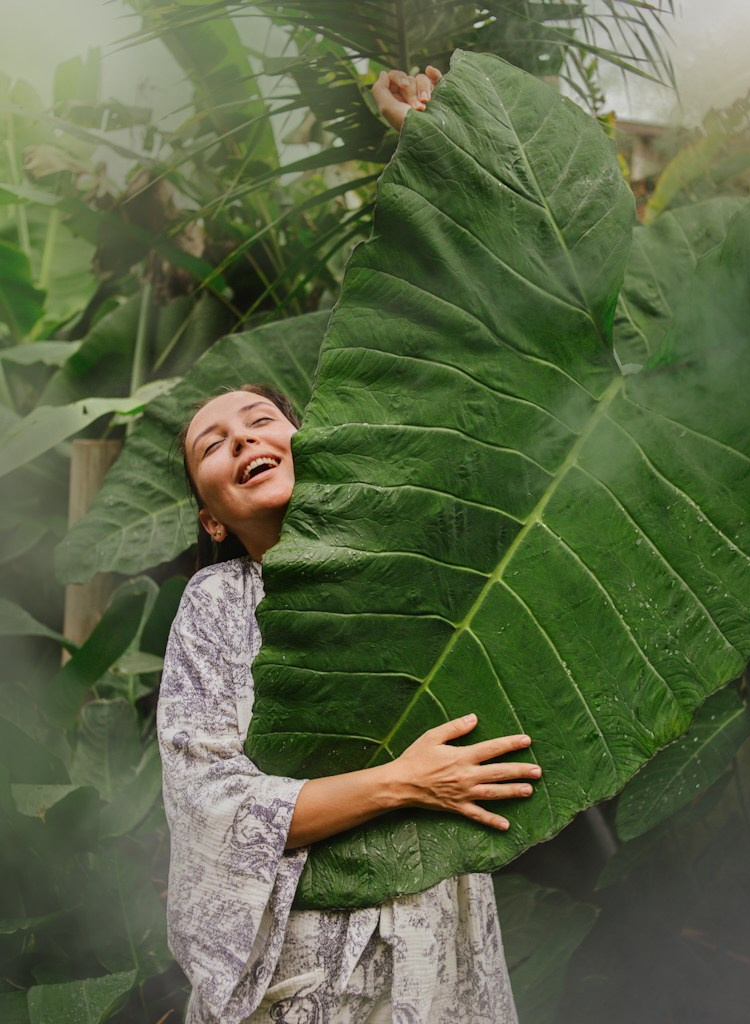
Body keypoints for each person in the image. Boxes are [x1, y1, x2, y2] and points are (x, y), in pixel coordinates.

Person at [158, 71, 542, 1024]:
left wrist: (435, 146)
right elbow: (210, 804)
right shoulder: (217, 606)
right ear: (210, 516)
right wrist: (403, 781)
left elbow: (465, 357)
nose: (246, 438)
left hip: (434, 941)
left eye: (260, 421)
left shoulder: (413, 548)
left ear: (306, 442)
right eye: (215, 442)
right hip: (304, 970)